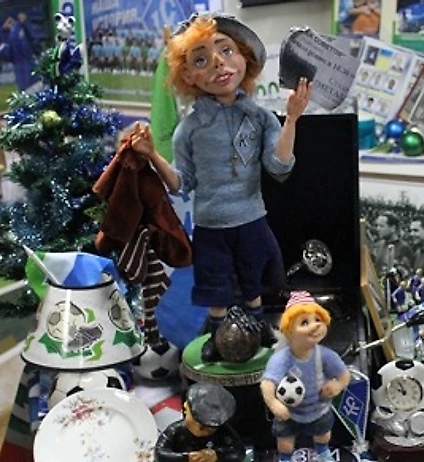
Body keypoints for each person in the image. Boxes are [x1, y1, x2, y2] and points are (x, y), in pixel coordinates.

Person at [130, 13, 312, 363]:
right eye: (201, 60)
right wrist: (152, 155)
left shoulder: (260, 118)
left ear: (245, 57)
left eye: (226, 51)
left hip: (252, 218)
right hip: (210, 225)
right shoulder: (188, 130)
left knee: (253, 282)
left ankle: (258, 327)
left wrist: (291, 120)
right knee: (216, 289)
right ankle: (218, 337)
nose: (218, 63)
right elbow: (182, 183)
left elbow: (279, 166)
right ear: (187, 75)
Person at [261, 291, 351, 462]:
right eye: (304, 322)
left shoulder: (325, 355)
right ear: (288, 332)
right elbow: (267, 383)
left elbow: (344, 374)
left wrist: (338, 385)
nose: (315, 326)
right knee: (285, 441)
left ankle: (323, 452)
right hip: (289, 413)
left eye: (318, 320)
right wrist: (273, 404)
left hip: (318, 408)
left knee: (323, 434)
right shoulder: (282, 358)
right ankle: (285, 458)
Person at [154, 382, 246, 462]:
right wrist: (186, 458)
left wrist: (217, 454)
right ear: (186, 408)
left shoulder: (223, 432)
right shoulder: (176, 430)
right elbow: (160, 453)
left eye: (209, 427)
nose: (201, 429)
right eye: (197, 422)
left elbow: (239, 452)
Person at [0, 13, 38, 91]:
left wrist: (3, 29)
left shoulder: (13, 43)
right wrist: (23, 24)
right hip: (32, 80)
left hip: (27, 82)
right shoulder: (15, 44)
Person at [371, 211, 413, 277]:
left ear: (393, 228)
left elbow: (405, 274)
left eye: (381, 226)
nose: (378, 229)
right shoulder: (378, 245)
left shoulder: (404, 248)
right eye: (377, 226)